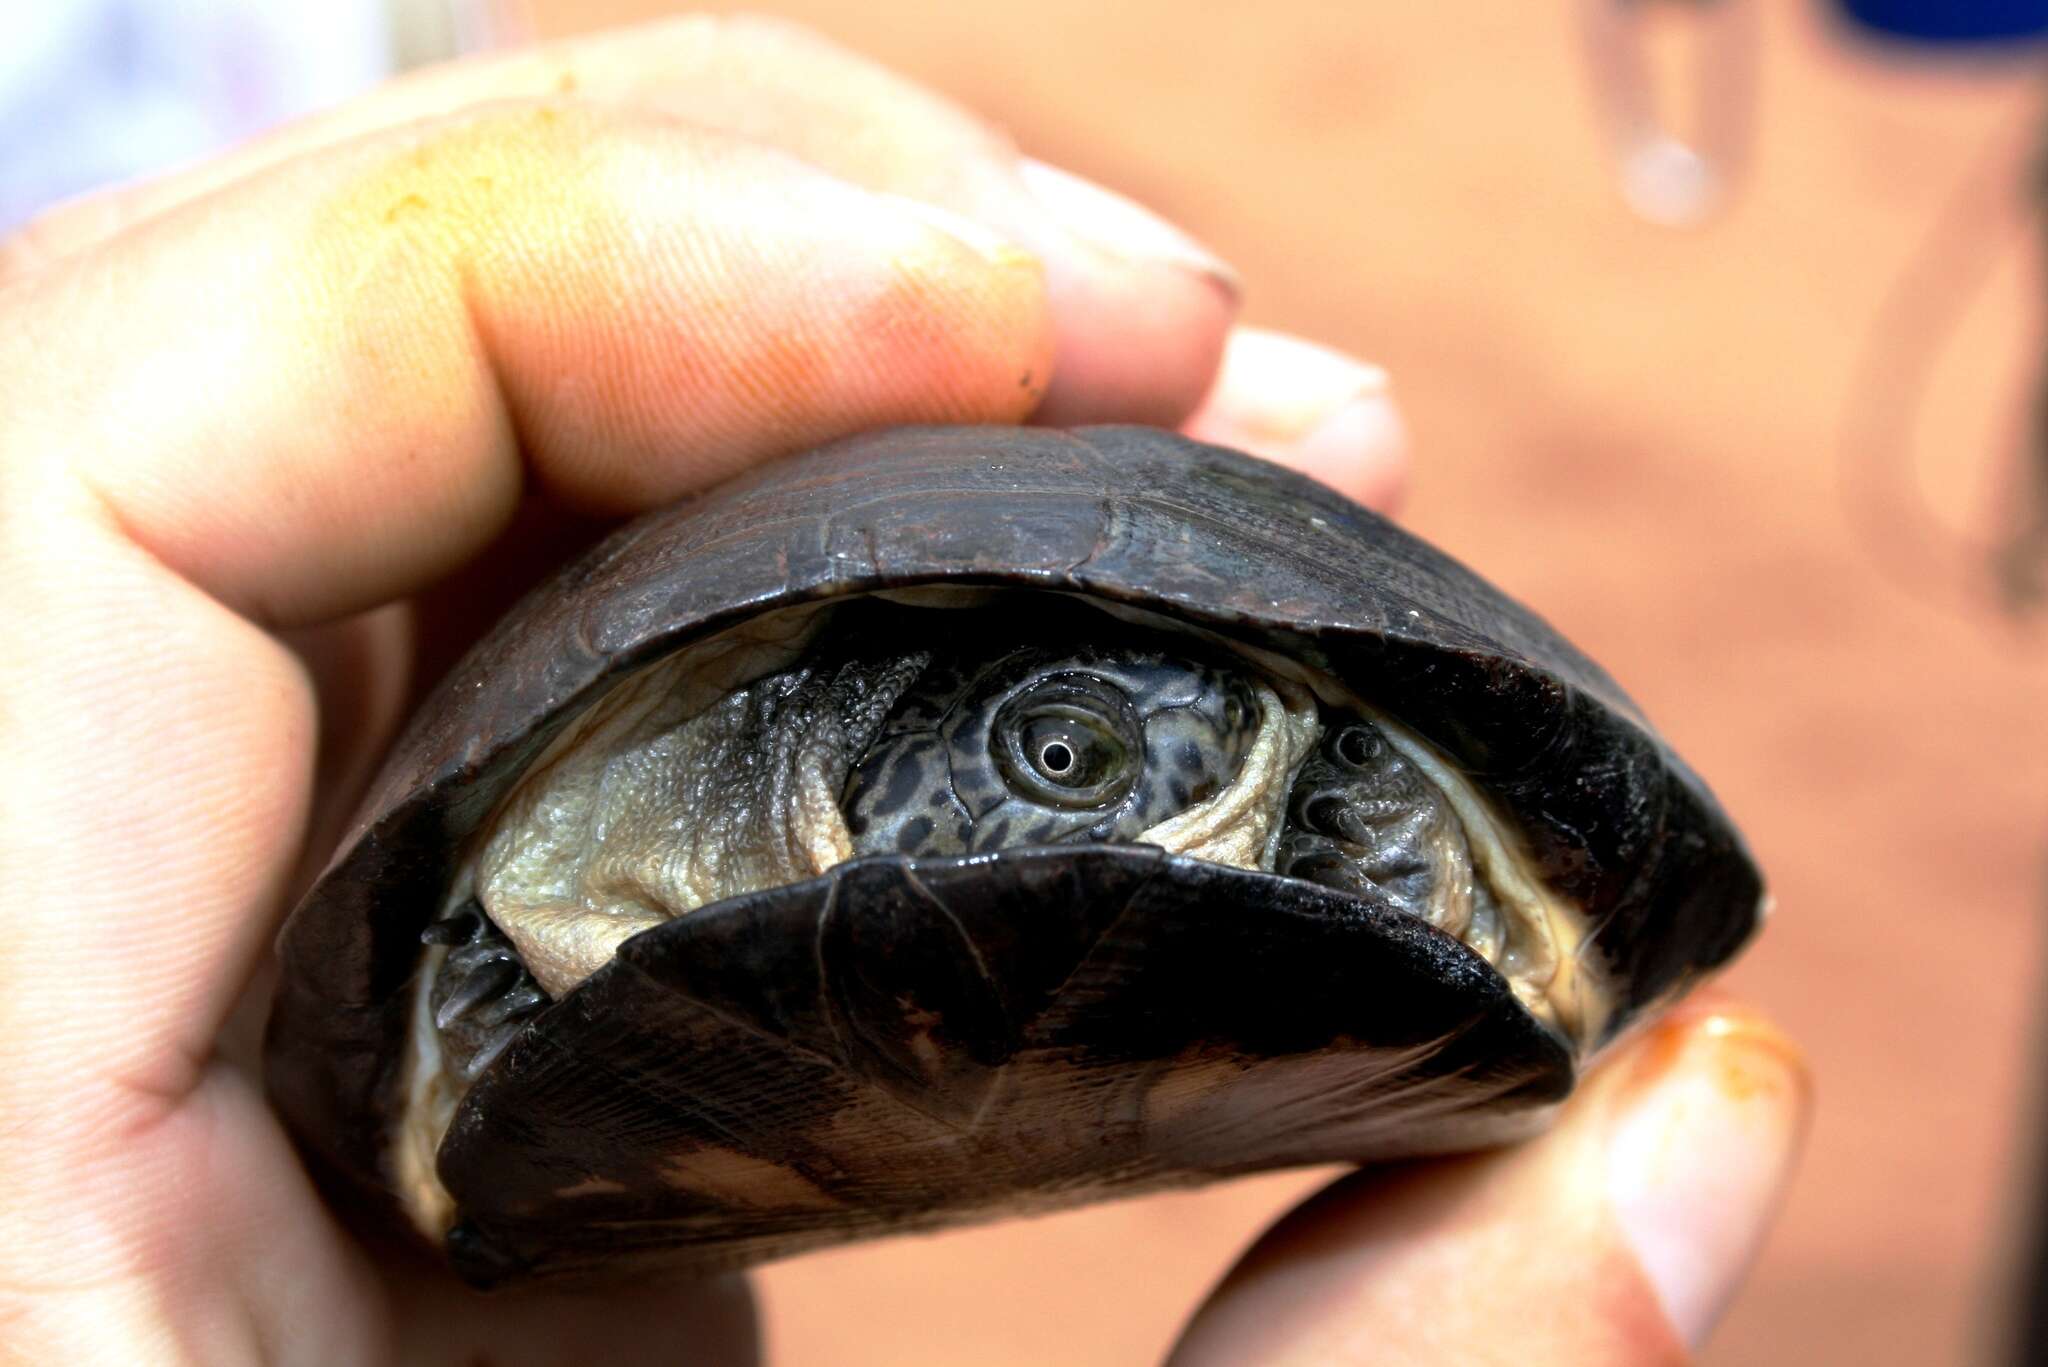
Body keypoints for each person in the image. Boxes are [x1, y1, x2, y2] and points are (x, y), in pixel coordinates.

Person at [0, 17, 1809, 1364]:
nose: (1146, 779)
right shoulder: (645, 790)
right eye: (1060, 751)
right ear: (843, 768)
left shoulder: (1311, 783)